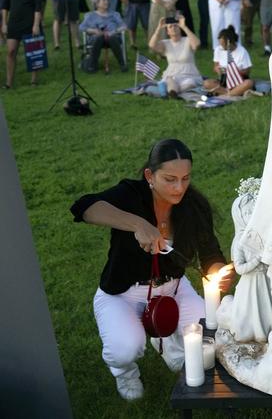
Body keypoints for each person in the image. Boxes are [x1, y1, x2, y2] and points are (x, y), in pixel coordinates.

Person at [69, 139, 232, 401]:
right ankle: (125, 372)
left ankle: (168, 341)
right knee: (125, 348)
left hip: (174, 290)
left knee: (211, 338)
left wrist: (219, 272)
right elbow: (85, 207)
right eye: (170, 179)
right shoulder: (131, 195)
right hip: (122, 293)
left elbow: (211, 254)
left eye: (185, 178)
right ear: (150, 175)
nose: (179, 188)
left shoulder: (194, 207)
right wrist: (136, 223)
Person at [1, 0, 44, 89]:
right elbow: (5, 4)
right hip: (14, 22)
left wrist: (36, 24)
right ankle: (9, 83)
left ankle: (34, 80)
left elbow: (38, 5)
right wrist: (4, 23)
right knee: (11, 51)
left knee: (32, 52)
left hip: (30, 21)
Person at [147, 15, 203, 97]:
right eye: (170, 27)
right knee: (170, 80)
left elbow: (197, 44)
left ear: (179, 29)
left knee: (190, 83)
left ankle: (169, 91)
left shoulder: (188, 40)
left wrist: (184, 27)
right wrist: (159, 28)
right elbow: (152, 45)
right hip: (172, 75)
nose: (173, 28)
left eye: (176, 26)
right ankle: (172, 91)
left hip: (189, 75)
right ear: (168, 32)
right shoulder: (165, 43)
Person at [79, 0, 127, 73]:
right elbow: (81, 27)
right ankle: (92, 65)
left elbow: (124, 26)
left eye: (107, 0)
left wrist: (114, 32)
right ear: (97, 3)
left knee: (112, 37)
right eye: (103, 0)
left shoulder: (115, 14)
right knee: (99, 37)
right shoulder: (90, 16)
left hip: (112, 38)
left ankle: (122, 64)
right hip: (96, 39)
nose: (107, 2)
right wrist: (93, 31)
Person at [203, 25, 255, 97]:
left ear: (230, 42)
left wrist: (233, 71)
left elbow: (247, 71)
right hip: (223, 81)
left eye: (224, 45)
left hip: (238, 81)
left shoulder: (242, 51)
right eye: (221, 44)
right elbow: (215, 67)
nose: (222, 47)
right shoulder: (218, 49)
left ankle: (225, 93)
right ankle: (231, 94)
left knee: (249, 83)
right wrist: (218, 70)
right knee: (207, 83)